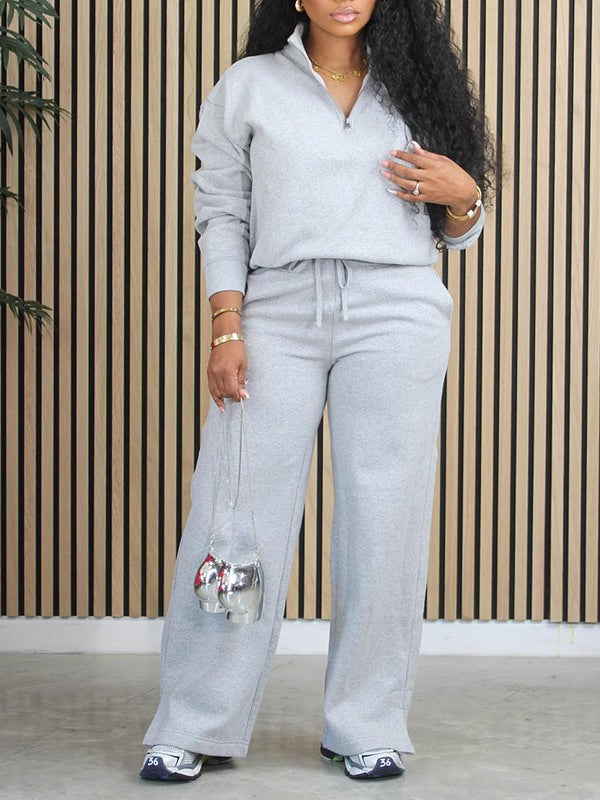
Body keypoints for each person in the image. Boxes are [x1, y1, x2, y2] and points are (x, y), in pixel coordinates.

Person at [139, 0, 496, 784]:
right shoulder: (249, 85)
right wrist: (227, 325)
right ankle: (195, 720)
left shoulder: (417, 84)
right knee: (234, 515)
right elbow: (220, 209)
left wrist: (464, 194)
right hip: (277, 309)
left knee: (385, 525)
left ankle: (366, 725)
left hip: (394, 310)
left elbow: (459, 228)